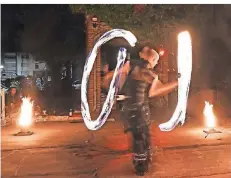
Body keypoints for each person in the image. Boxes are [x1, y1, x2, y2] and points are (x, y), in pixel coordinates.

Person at [102, 44, 179, 176]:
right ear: (152, 60)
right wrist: (176, 83)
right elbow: (155, 92)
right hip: (140, 111)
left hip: (127, 109)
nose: (156, 62)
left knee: (139, 137)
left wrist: (108, 82)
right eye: (155, 60)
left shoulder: (130, 65)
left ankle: (141, 163)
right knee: (141, 138)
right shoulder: (150, 74)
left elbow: (114, 74)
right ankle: (141, 166)